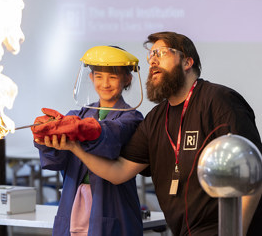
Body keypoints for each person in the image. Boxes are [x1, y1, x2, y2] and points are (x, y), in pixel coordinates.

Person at [38, 32, 262, 236]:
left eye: (161, 53)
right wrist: (74, 148)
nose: (152, 60)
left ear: (187, 61)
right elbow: (119, 172)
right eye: (150, 55)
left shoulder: (218, 101)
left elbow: (253, 172)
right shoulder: (155, 118)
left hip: (226, 229)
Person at [32, 46, 144, 236]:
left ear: (127, 79)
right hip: (73, 203)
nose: (105, 83)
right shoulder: (76, 116)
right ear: (91, 78)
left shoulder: (132, 119)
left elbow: (112, 135)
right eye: (99, 76)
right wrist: (44, 137)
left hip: (113, 205)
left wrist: (86, 131)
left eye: (113, 77)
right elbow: (56, 160)